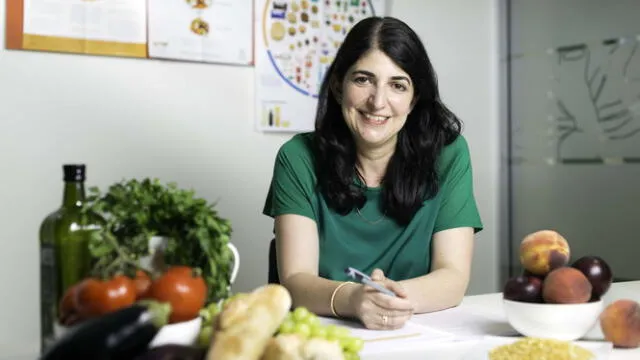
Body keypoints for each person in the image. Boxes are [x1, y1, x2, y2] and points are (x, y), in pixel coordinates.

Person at [262, 16, 483, 330]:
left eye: (397, 85)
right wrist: (354, 300)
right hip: (324, 337)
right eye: (363, 79)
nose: (378, 102)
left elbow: (453, 276)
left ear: (414, 97)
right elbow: (296, 280)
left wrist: (389, 299)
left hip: (416, 335)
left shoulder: (448, 155)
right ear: (339, 85)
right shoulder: (298, 158)